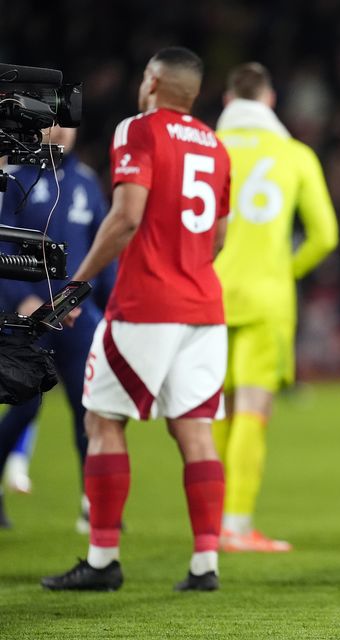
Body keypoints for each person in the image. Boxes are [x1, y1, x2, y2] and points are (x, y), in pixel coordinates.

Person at [41, 46, 232, 592]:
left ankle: (102, 561)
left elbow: (126, 216)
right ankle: (205, 566)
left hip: (147, 305)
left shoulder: (138, 130)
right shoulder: (217, 148)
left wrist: (76, 283)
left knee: (103, 421)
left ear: (151, 81)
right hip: (204, 309)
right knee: (195, 434)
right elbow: (217, 236)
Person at [212, 62, 338, 553]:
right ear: (269, 102)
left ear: (228, 104)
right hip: (267, 297)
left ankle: (211, 525)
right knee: (252, 410)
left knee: (215, 410)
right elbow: (326, 235)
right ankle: (237, 525)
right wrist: (286, 269)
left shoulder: (209, 148)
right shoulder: (294, 154)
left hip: (208, 293)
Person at [0, 125, 115, 532]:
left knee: (90, 410)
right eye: (52, 122)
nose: (60, 132)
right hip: (32, 319)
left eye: (66, 123)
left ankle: (93, 504)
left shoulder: (86, 182)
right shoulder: (18, 180)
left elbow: (107, 248)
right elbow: (2, 248)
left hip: (78, 318)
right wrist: (21, 300)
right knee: (25, 405)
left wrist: (109, 307)